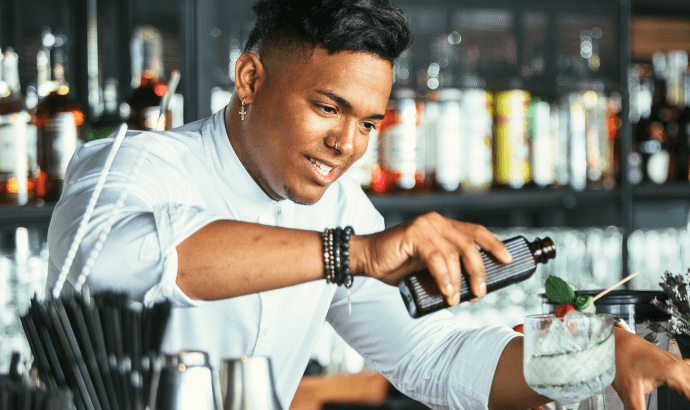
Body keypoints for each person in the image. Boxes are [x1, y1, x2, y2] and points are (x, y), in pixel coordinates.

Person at [47, 0, 690, 409]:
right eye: (328, 108)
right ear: (250, 80)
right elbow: (112, 261)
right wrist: (351, 254)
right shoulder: (131, 164)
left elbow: (430, 356)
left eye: (368, 123)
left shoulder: (338, 203)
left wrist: (594, 354)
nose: (346, 144)